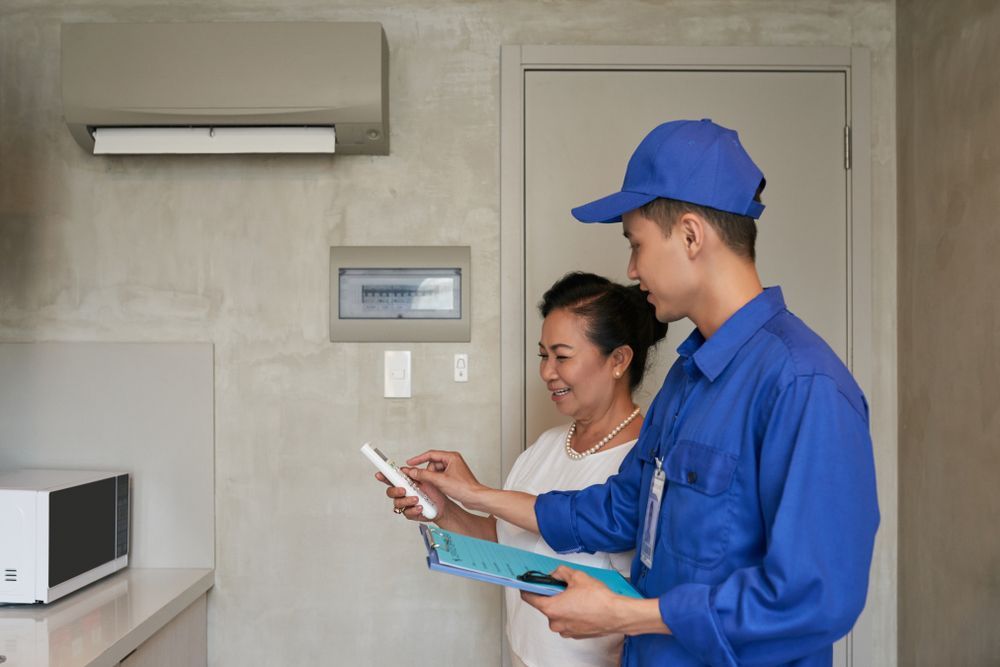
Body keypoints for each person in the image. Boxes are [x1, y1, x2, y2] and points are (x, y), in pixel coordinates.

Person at [405, 119, 880, 667]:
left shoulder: (803, 385)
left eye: (637, 244)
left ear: (691, 234)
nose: (631, 269)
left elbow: (815, 599)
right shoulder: (688, 378)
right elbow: (619, 508)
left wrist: (628, 615)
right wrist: (474, 495)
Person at [377, 271, 667, 667]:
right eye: (543, 355)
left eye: (562, 356)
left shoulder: (646, 463)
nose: (547, 372)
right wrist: (444, 509)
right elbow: (505, 543)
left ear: (618, 360)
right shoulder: (545, 446)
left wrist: (475, 492)